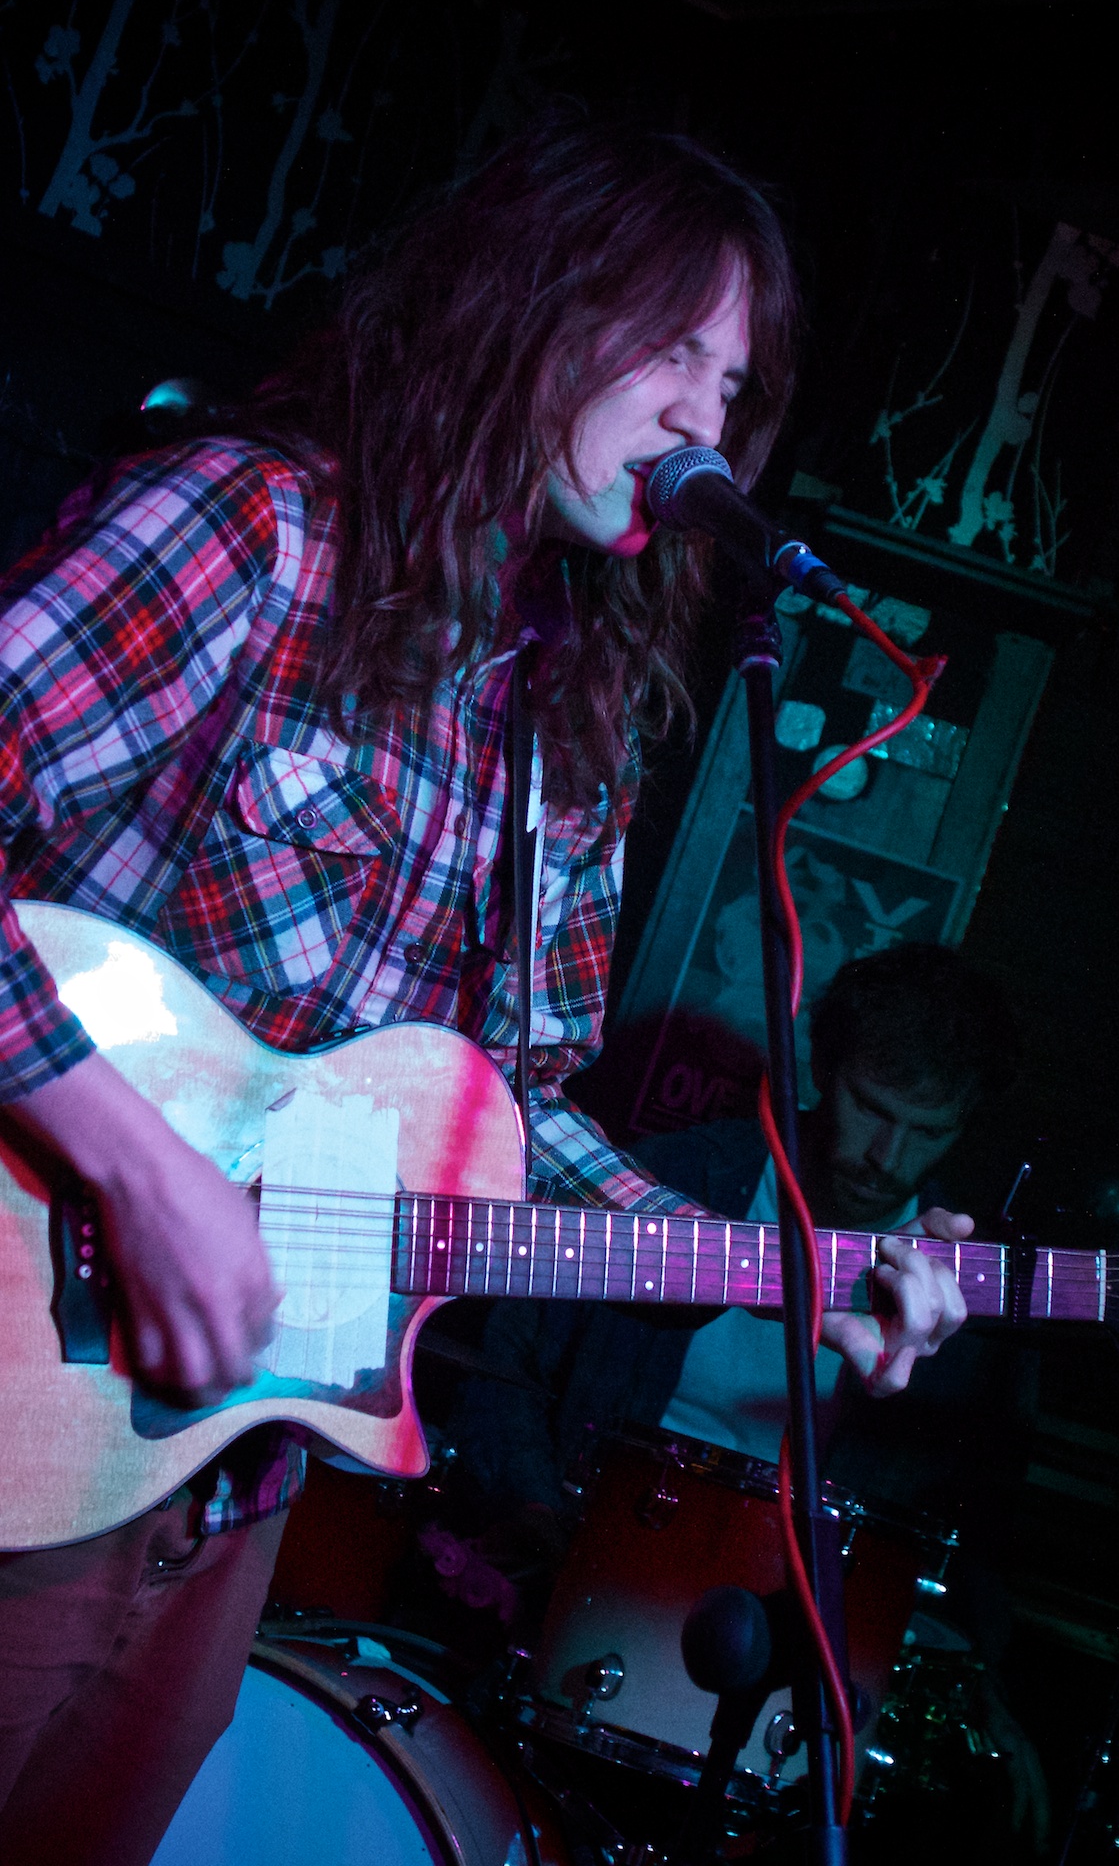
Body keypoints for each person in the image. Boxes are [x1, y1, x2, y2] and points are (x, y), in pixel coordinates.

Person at [0, 121, 968, 1865]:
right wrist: (141, 1177)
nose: (707, 419)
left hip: (235, 1481)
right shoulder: (252, 534)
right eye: (673, 347)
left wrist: (803, 1275)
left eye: (737, 385)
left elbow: (507, 1132)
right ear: (527, 305)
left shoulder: (572, 733)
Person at [448, 941, 1048, 1848]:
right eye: (871, 1109)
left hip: (794, 1676)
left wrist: (985, 1690)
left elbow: (982, 1536)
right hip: (587, 1594)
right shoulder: (674, 1180)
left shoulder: (962, 1297)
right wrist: (531, 1510)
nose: (889, 1157)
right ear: (821, 1069)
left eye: (929, 1133)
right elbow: (506, 1363)